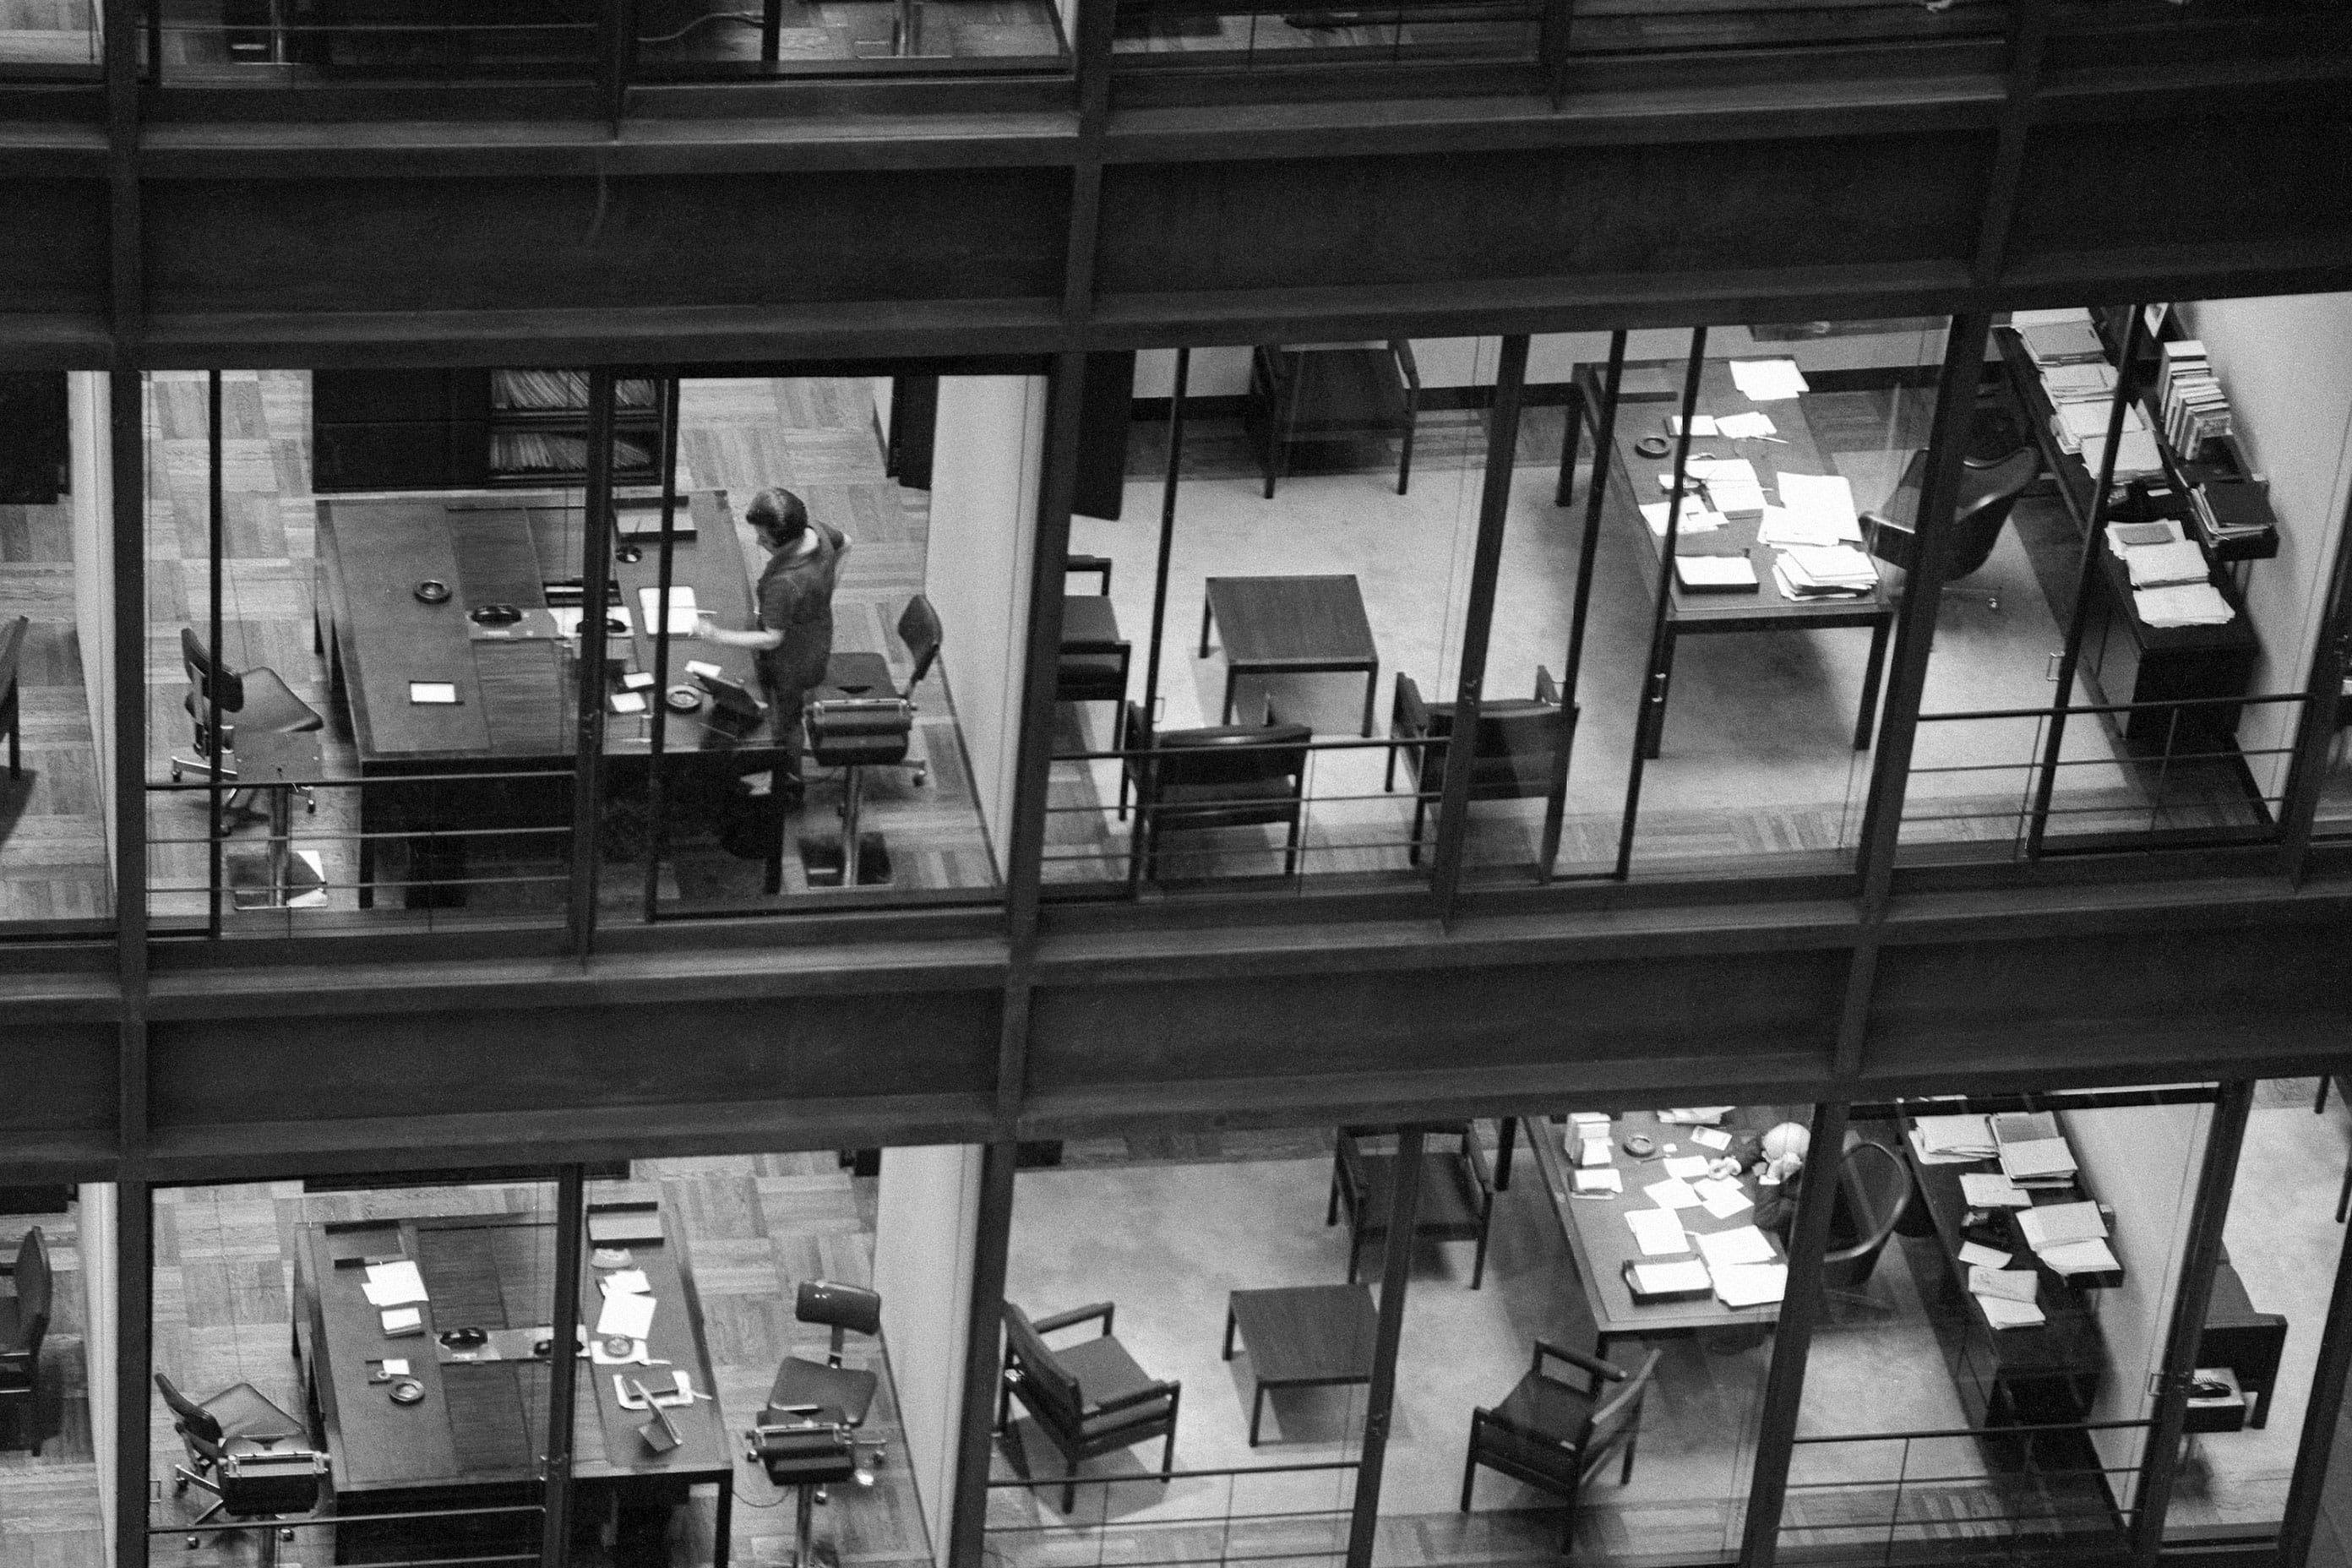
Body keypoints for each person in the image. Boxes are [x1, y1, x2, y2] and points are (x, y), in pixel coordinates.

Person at [687, 487, 847, 805]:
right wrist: (822, 594)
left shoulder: (786, 583)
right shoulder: (815, 532)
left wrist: (717, 636)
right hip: (815, 636)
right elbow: (847, 543)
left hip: (794, 660)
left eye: (763, 537)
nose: (758, 542)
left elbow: (773, 639)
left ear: (785, 538)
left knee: (788, 719)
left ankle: (791, 786)